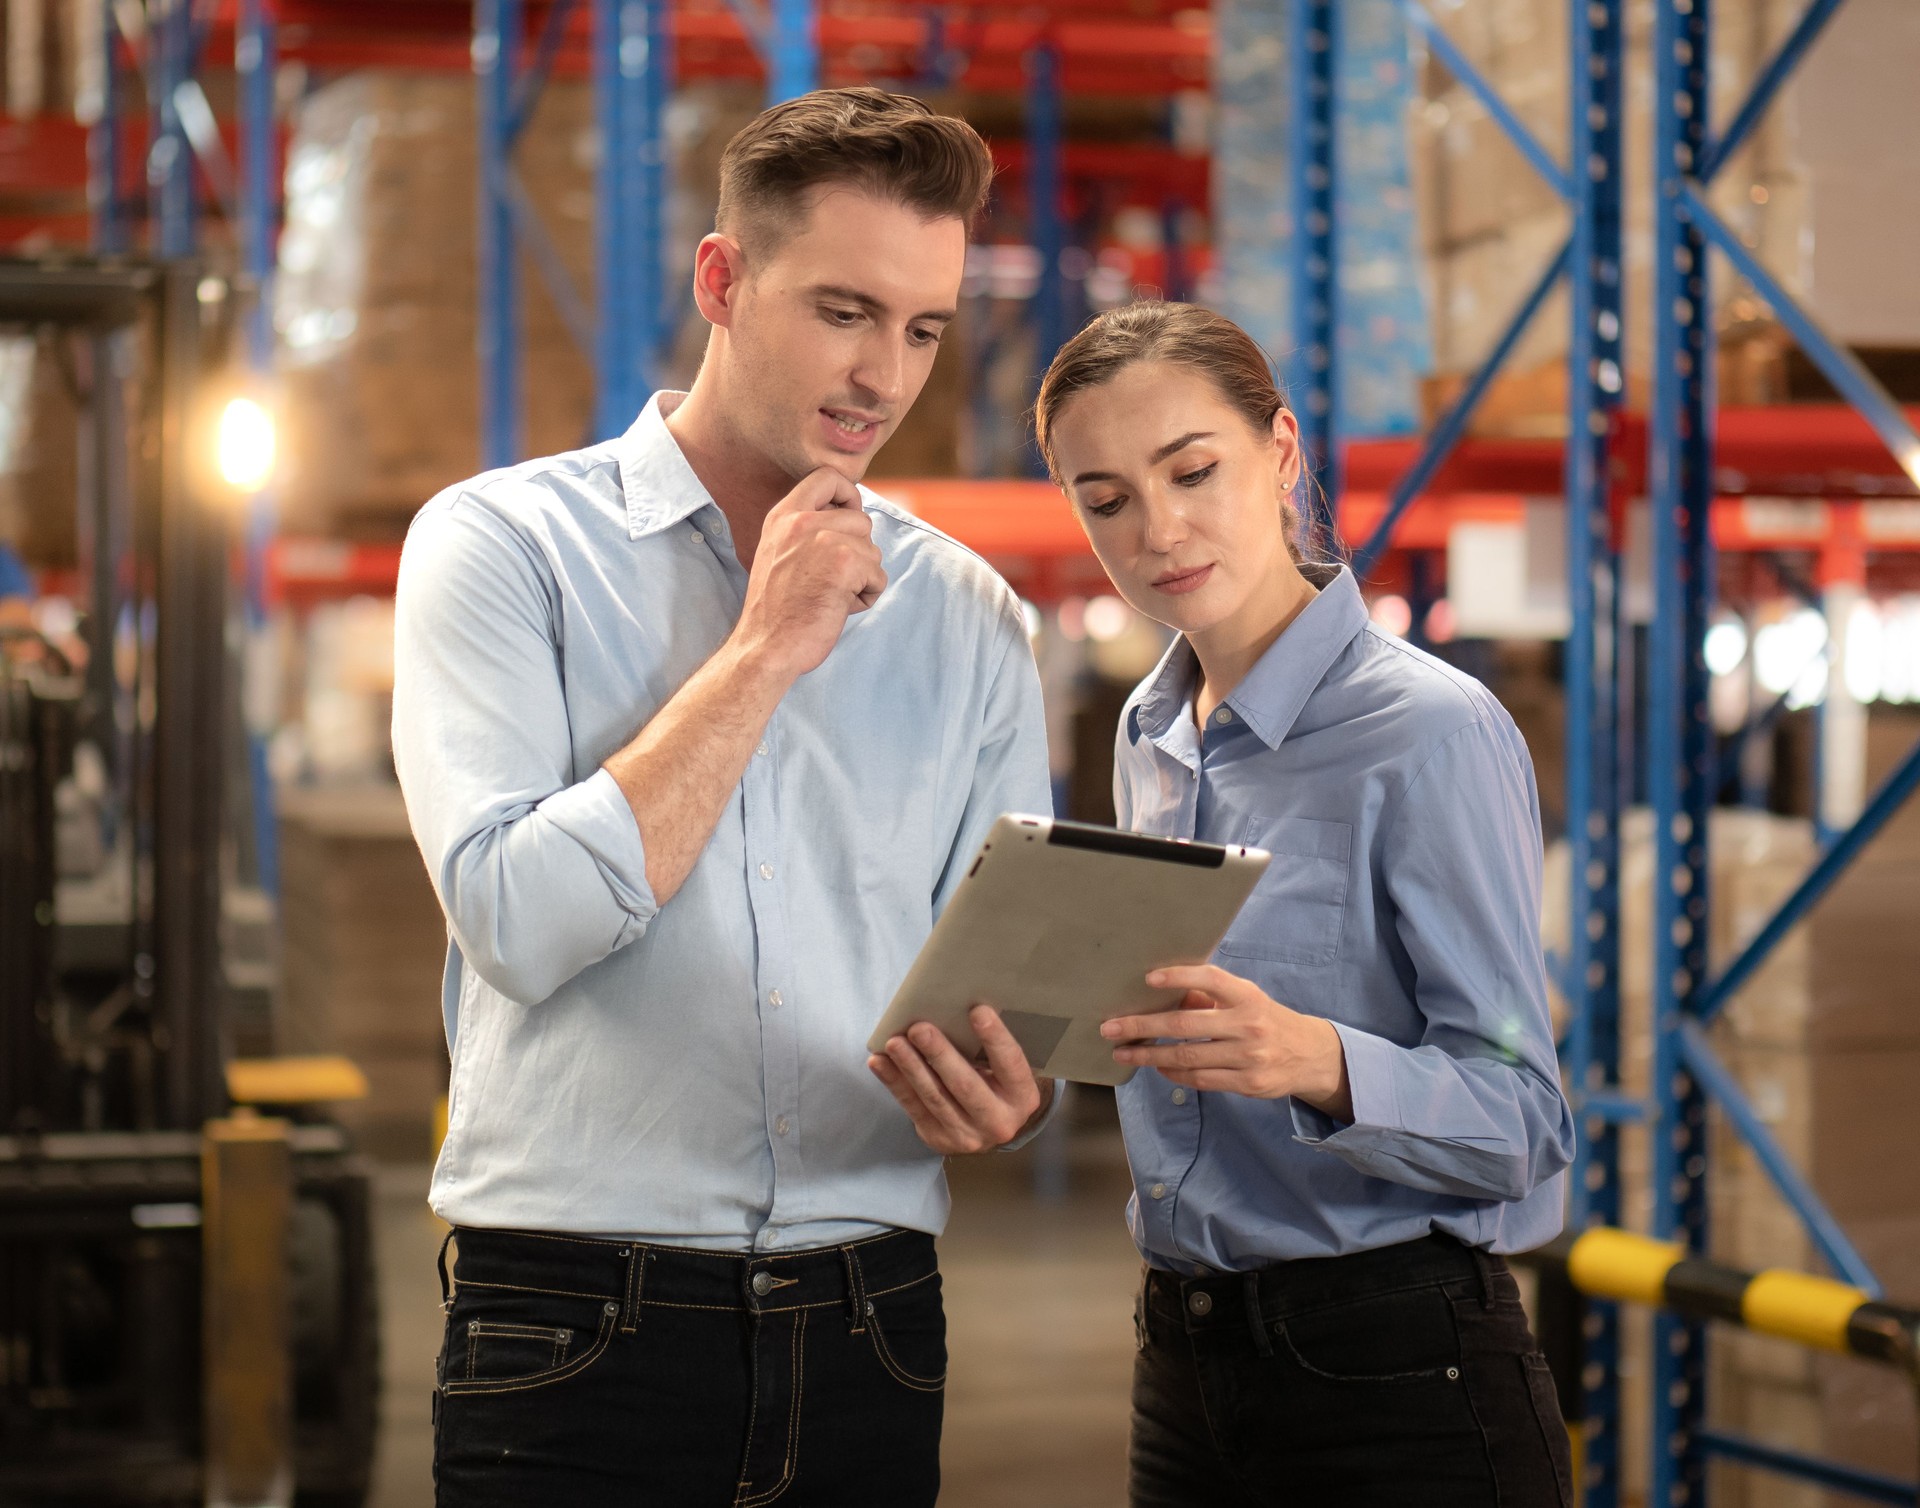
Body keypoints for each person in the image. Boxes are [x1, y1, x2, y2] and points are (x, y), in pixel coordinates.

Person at [393, 87, 1057, 1508]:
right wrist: (766, 650)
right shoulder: (502, 548)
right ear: (722, 279)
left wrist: (1015, 1087)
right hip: (575, 1323)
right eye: (843, 310)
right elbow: (517, 920)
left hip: (872, 1319)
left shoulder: (973, 618)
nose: (885, 373)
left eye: (924, 329)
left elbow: (998, 985)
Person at [1034, 302, 1577, 1507]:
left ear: (1281, 453)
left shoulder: (1429, 730)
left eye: (1193, 470)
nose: (1158, 528)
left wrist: (1313, 1056)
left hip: (1395, 1371)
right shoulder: (1150, 732)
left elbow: (1527, 1119)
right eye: (1106, 497)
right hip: (1181, 1358)